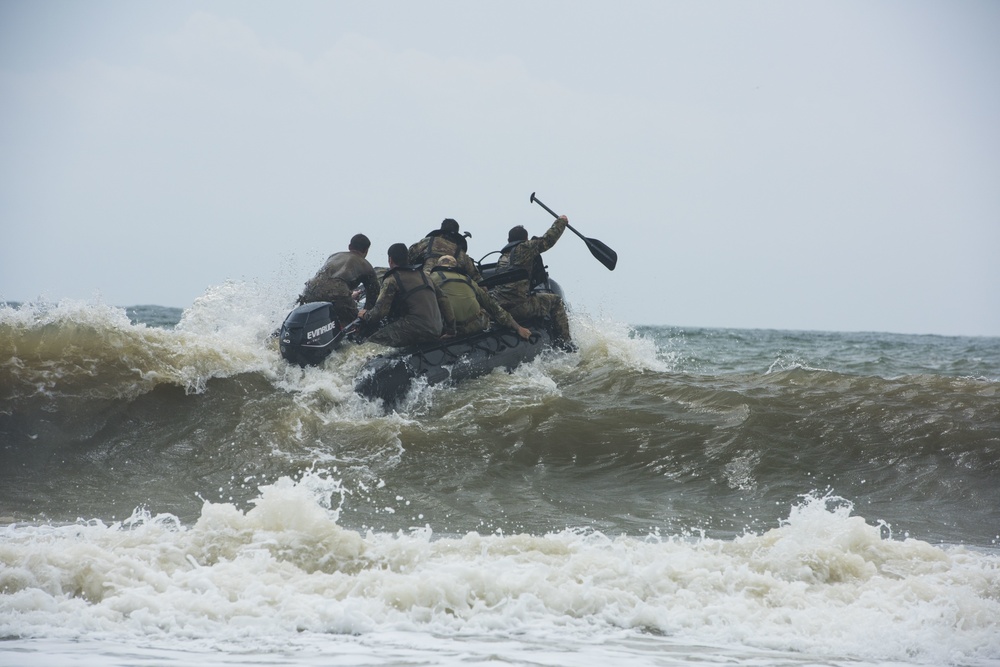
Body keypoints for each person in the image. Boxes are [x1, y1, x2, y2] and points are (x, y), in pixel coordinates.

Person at [491, 215, 574, 350]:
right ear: (526, 239)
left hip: (500, 308)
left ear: (508, 240)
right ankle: (566, 344)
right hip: (519, 307)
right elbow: (548, 240)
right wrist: (561, 222)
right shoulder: (525, 248)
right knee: (556, 301)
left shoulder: (503, 258)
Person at [358, 243, 454, 347]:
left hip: (414, 328)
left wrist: (365, 315)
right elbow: (444, 300)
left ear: (390, 260)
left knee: (370, 343)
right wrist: (451, 330)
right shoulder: (425, 276)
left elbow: (380, 312)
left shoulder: (392, 279)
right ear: (407, 258)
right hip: (436, 329)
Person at [431, 255, 531, 340]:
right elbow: (492, 306)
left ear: (438, 266)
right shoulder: (468, 280)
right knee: (485, 308)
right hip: (475, 326)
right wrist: (518, 328)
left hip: (452, 329)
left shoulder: (431, 279)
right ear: (455, 266)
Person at [298, 233, 380, 328]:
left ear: (349, 246)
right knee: (355, 325)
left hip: (311, 288)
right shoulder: (367, 266)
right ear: (366, 251)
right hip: (338, 291)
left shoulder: (334, 256)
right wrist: (365, 314)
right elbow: (373, 296)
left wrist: (349, 296)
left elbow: (326, 283)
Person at [408, 218, 482, 281]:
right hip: (452, 290)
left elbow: (408, 256)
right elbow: (476, 277)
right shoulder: (462, 254)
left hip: (428, 284)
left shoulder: (428, 241)